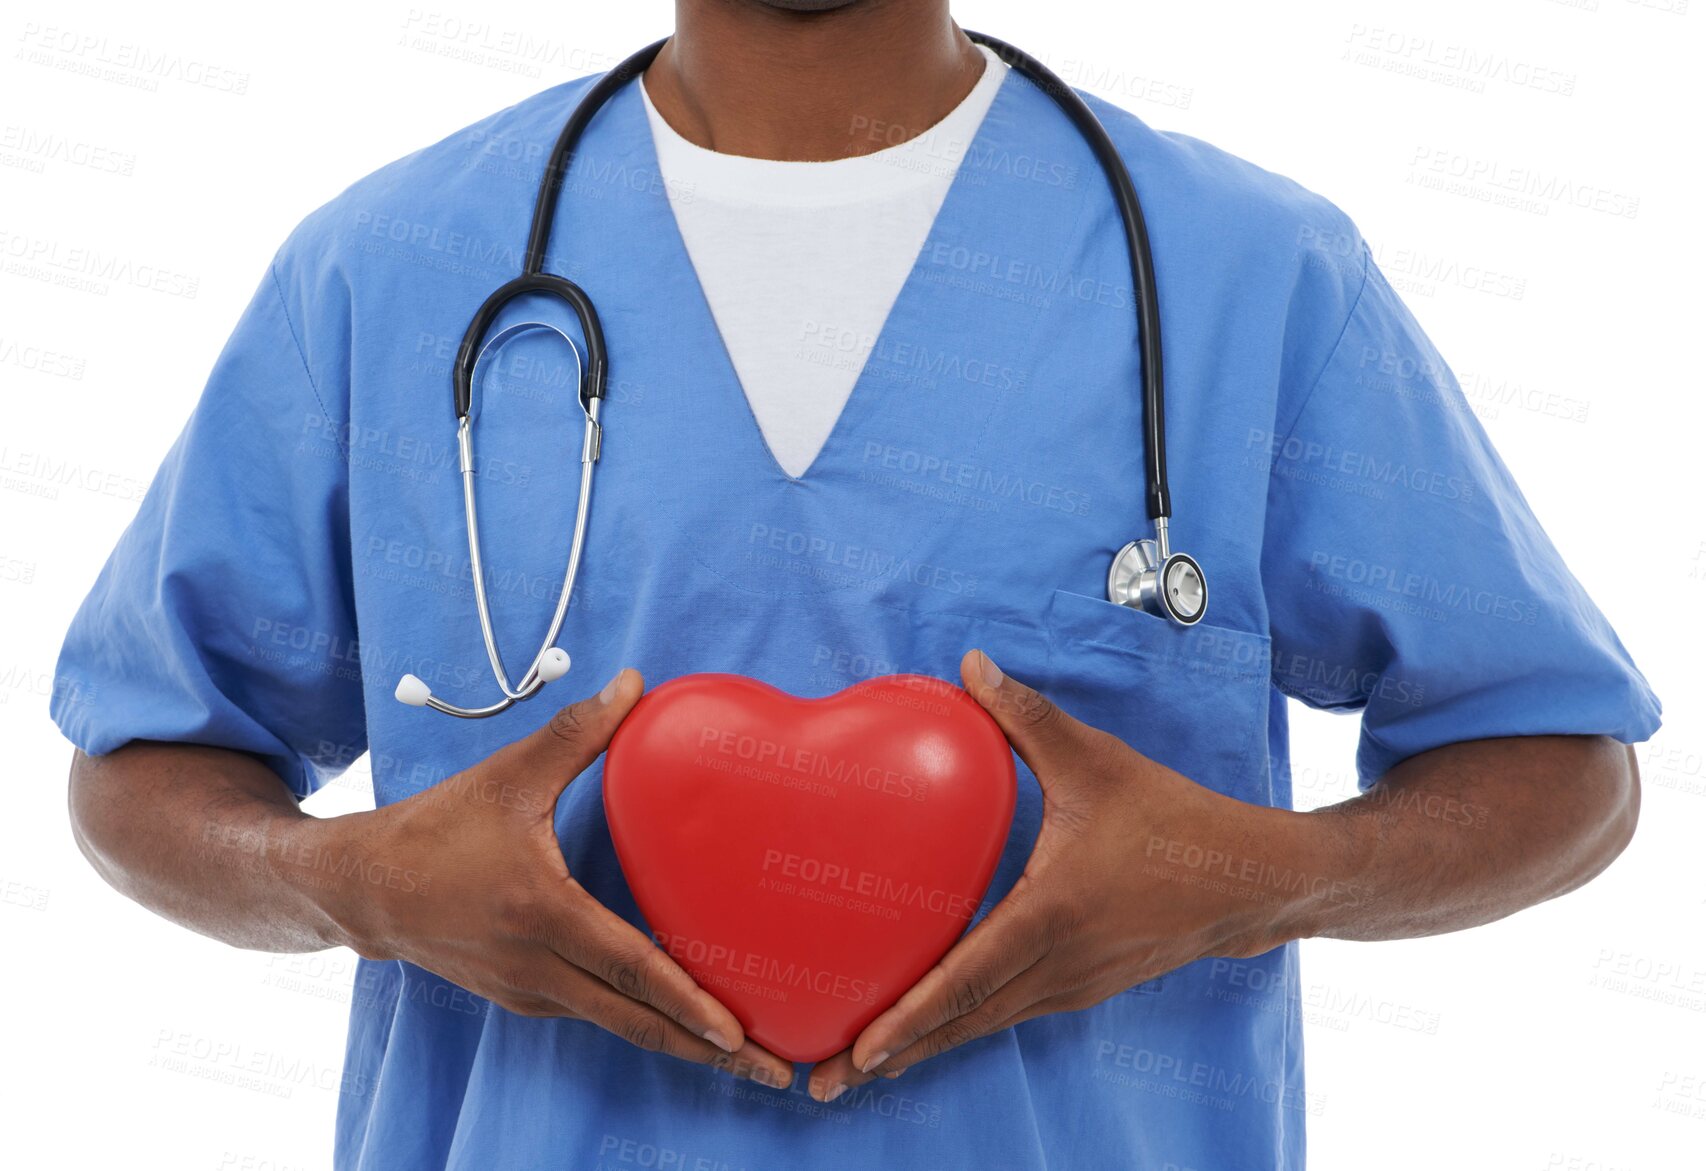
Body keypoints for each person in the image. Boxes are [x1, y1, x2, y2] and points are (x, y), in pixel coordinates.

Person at [53, 2, 1660, 1168]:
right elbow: (147, 760)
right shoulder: (387, 267)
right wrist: (348, 885)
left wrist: (1263, 876)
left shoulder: (1247, 272)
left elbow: (1559, 769)